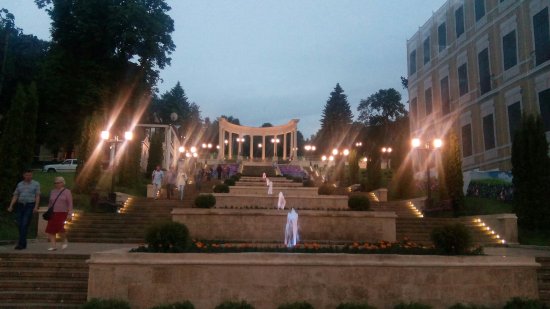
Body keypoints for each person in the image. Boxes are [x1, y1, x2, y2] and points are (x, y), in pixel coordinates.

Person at [7, 170, 40, 250]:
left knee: (24, 224)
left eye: (30, 175)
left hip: (29, 205)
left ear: (32, 175)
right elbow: (16, 195)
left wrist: (36, 206)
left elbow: (37, 196)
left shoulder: (36, 184)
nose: (28, 177)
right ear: (24, 175)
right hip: (20, 205)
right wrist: (11, 205)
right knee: (20, 224)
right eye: (27, 175)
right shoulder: (20, 184)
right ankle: (23, 243)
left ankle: (20, 244)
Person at [45, 176, 73, 251]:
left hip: (62, 212)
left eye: (58, 183)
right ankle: (53, 246)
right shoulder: (52, 191)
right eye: (55, 183)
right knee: (50, 229)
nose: (56, 184)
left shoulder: (67, 191)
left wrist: (70, 213)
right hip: (53, 213)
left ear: (62, 183)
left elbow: (70, 203)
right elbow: (50, 203)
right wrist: (48, 212)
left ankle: (64, 240)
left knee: (60, 228)